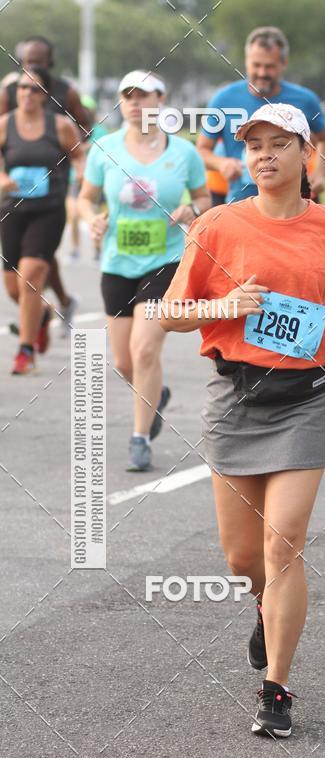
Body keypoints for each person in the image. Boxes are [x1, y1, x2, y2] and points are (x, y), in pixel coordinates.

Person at [160, 103, 325, 738]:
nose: (264, 154)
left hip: (306, 399)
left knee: (283, 542)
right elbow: (171, 314)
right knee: (242, 557)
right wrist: (224, 303)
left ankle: (277, 687)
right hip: (234, 400)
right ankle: (264, 605)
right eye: (253, 143)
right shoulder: (216, 226)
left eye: (279, 143)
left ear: (305, 153)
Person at [78, 71, 210, 472]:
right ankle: (156, 395)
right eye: (128, 97)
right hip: (118, 264)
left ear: (161, 99)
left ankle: (139, 437)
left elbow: (204, 196)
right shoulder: (105, 147)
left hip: (165, 262)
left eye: (144, 96)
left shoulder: (184, 152)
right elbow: (85, 199)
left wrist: (194, 209)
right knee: (123, 362)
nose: (136, 104)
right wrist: (92, 221)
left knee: (145, 349)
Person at [1, 36, 90, 327]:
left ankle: (41, 318)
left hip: (53, 180)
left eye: (39, 61)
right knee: (35, 259)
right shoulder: (9, 89)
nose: (33, 66)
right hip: (15, 186)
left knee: (38, 256)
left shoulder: (65, 90)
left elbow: (85, 122)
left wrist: (76, 155)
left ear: (49, 63)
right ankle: (57, 305)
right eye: (28, 61)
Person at [196, 26, 325, 204]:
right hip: (242, 204)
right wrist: (221, 164)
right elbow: (202, 150)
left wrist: (320, 174)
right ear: (247, 61)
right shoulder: (223, 99)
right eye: (256, 65)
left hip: (297, 204)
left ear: (283, 63)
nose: (262, 73)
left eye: (269, 66)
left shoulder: (305, 100)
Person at [66, 95, 108, 263]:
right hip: (74, 180)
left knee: (95, 216)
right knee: (73, 215)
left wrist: (84, 147)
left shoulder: (100, 131)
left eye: (86, 109)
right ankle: (75, 249)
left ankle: (97, 249)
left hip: (95, 181)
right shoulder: (69, 128)